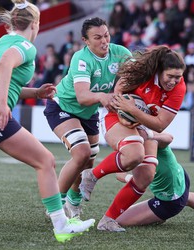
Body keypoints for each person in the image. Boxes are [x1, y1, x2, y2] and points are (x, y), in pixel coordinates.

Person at [0, 0, 95, 243]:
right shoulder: (26, 46)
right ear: (35, 24)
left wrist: (34, 93)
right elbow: (3, 67)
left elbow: (2, 78)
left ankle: (61, 223)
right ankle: (61, 225)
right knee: (45, 161)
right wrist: (2, 103)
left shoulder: (4, 40)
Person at [79, 45, 187, 231]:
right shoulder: (141, 70)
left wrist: (134, 112)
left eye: (178, 77)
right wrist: (124, 114)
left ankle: (107, 221)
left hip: (142, 122)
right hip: (118, 116)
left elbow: (160, 124)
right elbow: (118, 94)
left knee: (146, 175)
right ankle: (91, 175)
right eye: (170, 76)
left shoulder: (179, 88)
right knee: (134, 154)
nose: (174, 81)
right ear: (159, 71)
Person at [43, 17, 132, 219]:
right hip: (63, 107)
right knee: (82, 154)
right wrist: (102, 96)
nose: (104, 41)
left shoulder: (120, 53)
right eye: (98, 37)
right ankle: (55, 206)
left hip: (89, 114)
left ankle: (73, 201)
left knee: (88, 163)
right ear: (86, 40)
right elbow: (83, 97)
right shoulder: (81, 59)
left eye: (107, 35)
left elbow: (138, 74)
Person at [114, 131, 194, 227]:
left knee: (117, 220)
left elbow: (169, 138)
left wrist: (150, 135)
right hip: (179, 181)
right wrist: (134, 179)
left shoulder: (149, 137)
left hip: (169, 200)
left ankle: (157, 217)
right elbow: (119, 173)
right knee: (186, 197)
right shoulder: (127, 142)